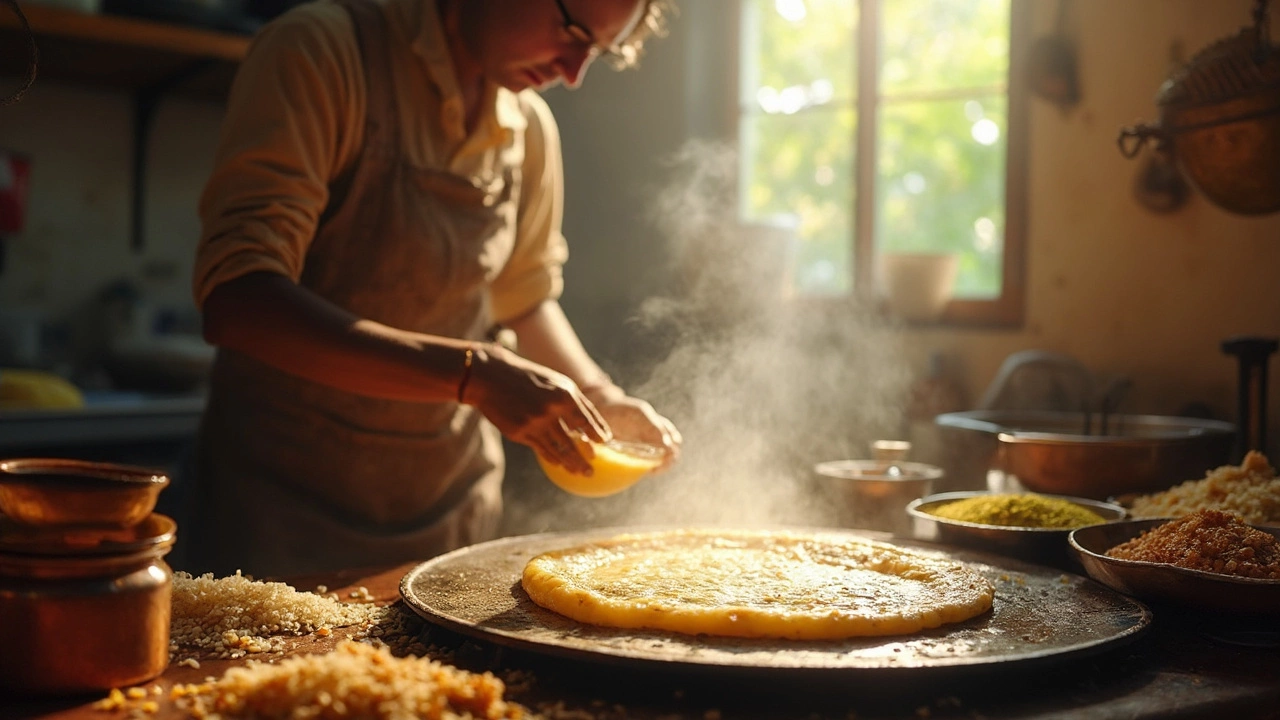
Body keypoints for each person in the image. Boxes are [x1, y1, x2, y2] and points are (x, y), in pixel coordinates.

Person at [186, 0, 682, 578]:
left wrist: (599, 397)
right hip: (283, 512)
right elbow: (239, 301)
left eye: (598, 51)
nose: (573, 73)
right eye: (570, 31)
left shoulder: (528, 129)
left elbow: (524, 296)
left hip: (450, 509)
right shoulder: (325, 52)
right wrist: (473, 375)